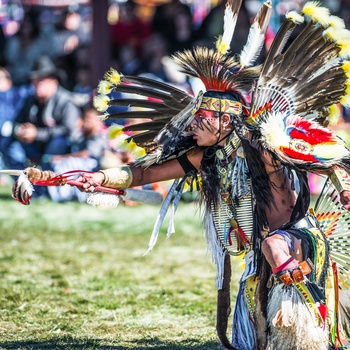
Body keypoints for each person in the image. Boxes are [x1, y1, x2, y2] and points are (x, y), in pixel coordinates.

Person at [11, 1, 350, 349]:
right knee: (252, 338)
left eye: (203, 117)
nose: (194, 123)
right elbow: (143, 173)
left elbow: (322, 155)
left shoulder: (262, 147)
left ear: (225, 121)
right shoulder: (205, 157)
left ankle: (310, 316)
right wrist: (98, 178)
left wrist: (343, 181)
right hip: (258, 259)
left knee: (275, 251)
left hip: (295, 242)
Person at [8, 55, 81, 172]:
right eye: (35, 80)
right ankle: (26, 182)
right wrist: (21, 131)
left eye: (42, 79)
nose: (37, 83)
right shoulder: (30, 100)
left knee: (59, 142)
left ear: (54, 81)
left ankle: (48, 182)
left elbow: (69, 130)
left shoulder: (66, 101)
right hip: (35, 148)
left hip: (62, 152)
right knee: (10, 144)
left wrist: (37, 133)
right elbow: (16, 122)